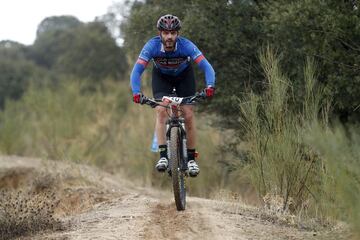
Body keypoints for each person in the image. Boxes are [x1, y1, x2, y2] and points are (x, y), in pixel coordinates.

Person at [130, 14, 216, 177]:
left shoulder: (186, 46)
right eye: (165, 33)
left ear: (178, 34)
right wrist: (136, 92)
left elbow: (206, 66)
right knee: (161, 111)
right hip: (162, 79)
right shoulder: (151, 46)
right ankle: (163, 156)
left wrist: (210, 86)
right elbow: (137, 71)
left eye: (173, 33)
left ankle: (191, 159)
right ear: (160, 33)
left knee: (189, 115)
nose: (169, 37)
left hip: (185, 78)